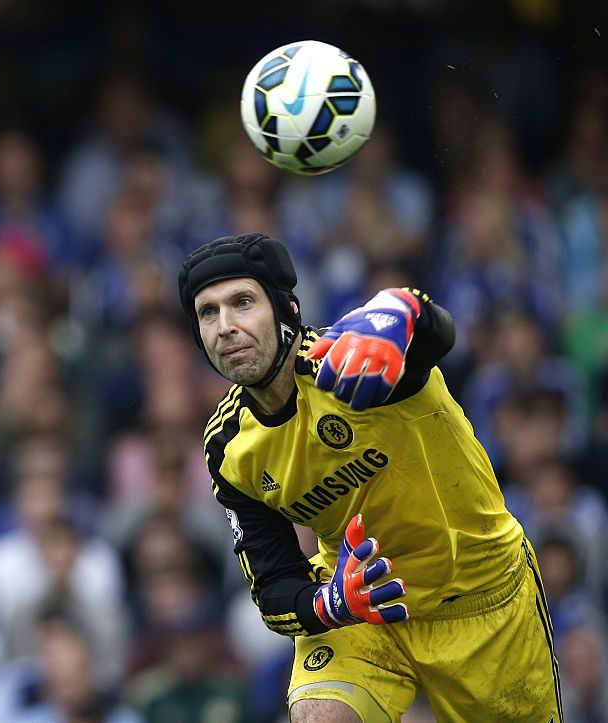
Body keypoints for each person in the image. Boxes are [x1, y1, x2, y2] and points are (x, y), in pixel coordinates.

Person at [176, 233, 560, 722]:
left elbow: (436, 335)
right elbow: (274, 588)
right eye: (208, 313)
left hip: (480, 597)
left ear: (286, 311)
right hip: (363, 600)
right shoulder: (228, 446)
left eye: (243, 302)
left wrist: (400, 310)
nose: (225, 326)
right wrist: (329, 604)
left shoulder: (358, 356)